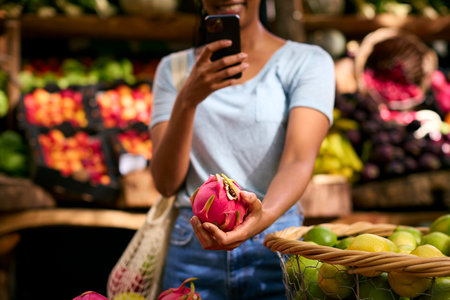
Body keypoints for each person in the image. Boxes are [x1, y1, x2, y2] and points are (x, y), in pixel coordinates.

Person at [149, 0, 335, 299]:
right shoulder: (174, 69)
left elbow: (299, 160)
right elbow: (165, 182)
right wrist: (187, 100)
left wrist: (264, 216)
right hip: (193, 247)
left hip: (277, 243)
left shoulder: (307, 61)